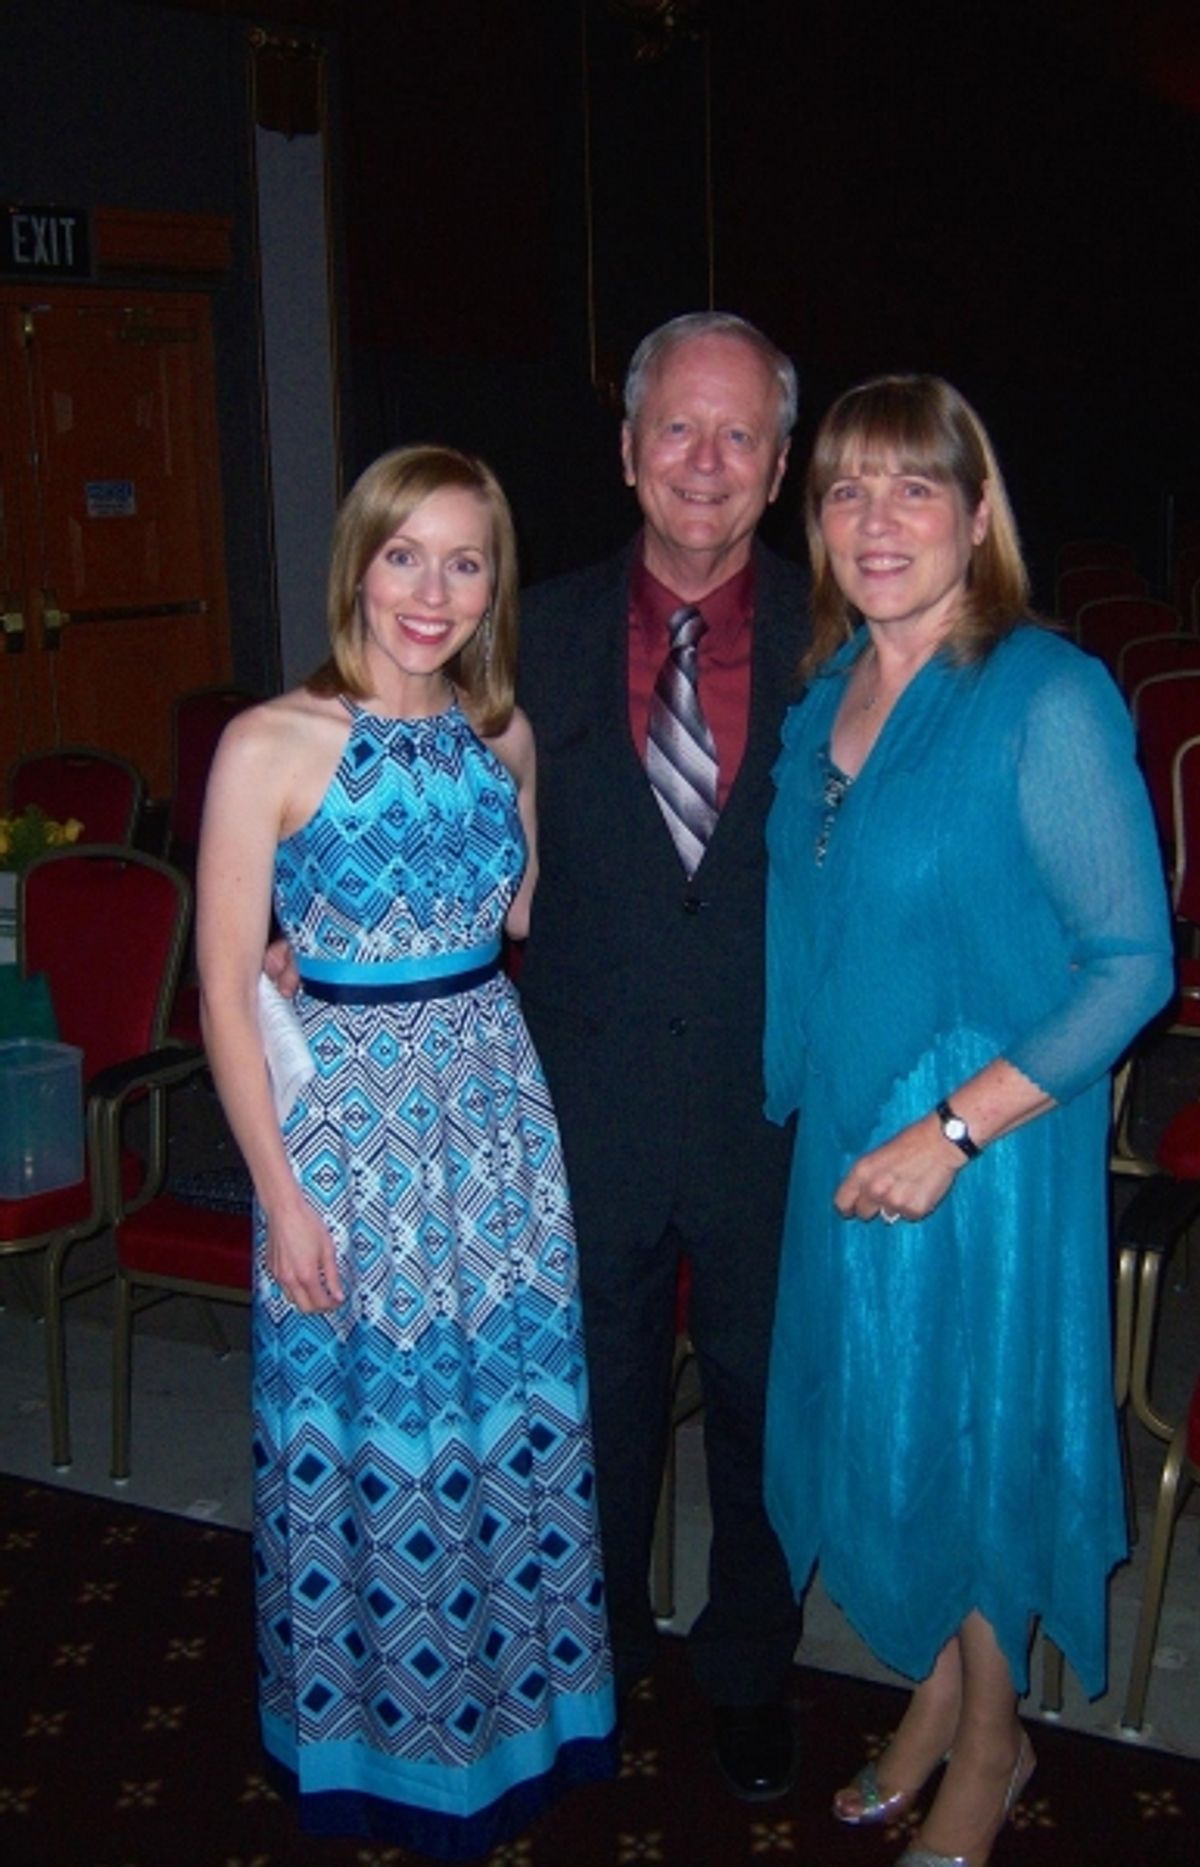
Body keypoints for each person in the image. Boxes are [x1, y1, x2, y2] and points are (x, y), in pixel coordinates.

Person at [762, 376, 1173, 1866]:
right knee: (878, 1432)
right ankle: (933, 1694)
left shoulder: (1043, 694)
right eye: (846, 493)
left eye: (913, 488)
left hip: (981, 1149)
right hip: (846, 1132)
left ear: (979, 514)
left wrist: (951, 1134)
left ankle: (996, 1741)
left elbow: (1133, 964)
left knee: (978, 1434)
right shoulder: (824, 698)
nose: (877, 523)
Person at [199, 445, 615, 1860]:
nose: (431, 592)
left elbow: (513, 920)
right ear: (356, 564)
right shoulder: (270, 742)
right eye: (403, 555)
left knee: (500, 1421)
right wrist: (280, 1195)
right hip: (344, 1146)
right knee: (373, 1434)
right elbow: (218, 994)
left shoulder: (506, 742)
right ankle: (374, 1740)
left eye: (466, 560)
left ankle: (519, 1718)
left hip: (493, 1120)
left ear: (496, 582)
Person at [515, 312, 808, 1799]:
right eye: (676, 430)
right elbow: (400, 776)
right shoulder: (525, 627)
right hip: (584, 1103)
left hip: (777, 1109)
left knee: (764, 1406)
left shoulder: (847, 641)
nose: (705, 462)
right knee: (598, 1404)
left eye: (738, 434)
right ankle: (600, 1653)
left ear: (777, 468)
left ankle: (751, 1671)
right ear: (627, 453)